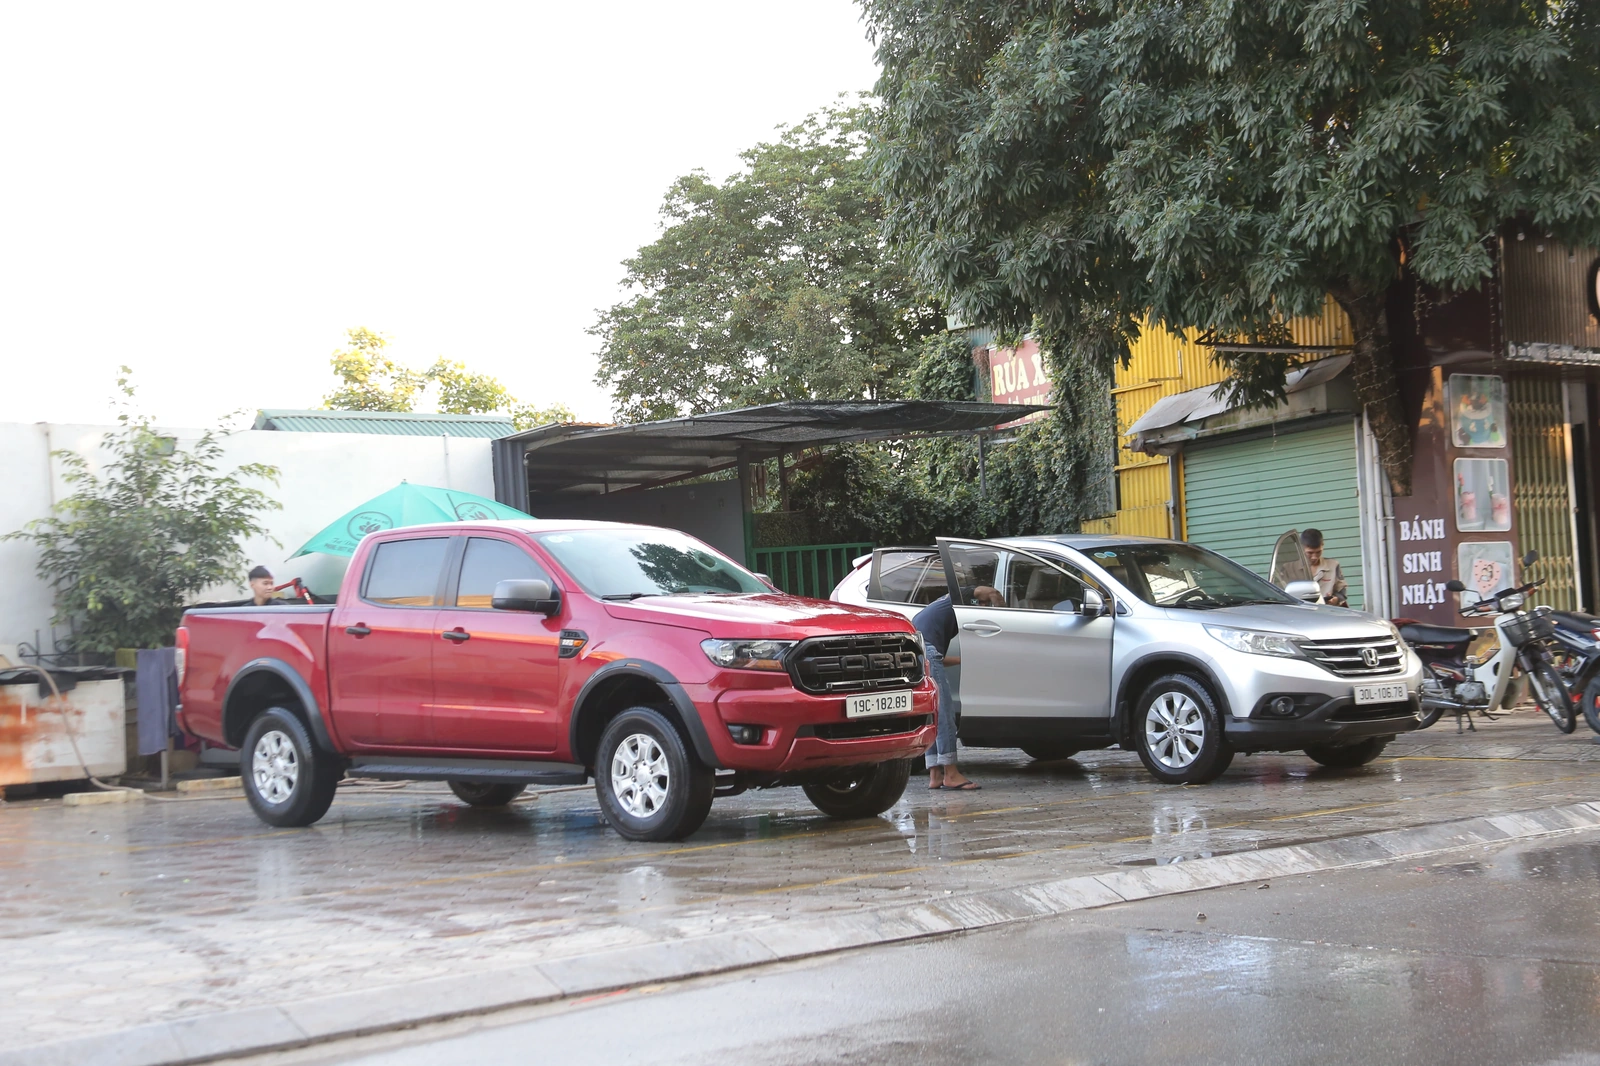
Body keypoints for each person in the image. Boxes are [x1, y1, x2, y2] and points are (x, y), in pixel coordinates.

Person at [910, 586, 1000, 792]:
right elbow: (992, 592)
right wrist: (1000, 611)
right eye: (981, 603)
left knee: (933, 715)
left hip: (918, 650)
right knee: (945, 713)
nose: (982, 606)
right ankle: (951, 774)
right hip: (926, 650)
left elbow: (936, 658)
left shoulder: (939, 609)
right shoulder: (959, 598)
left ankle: (935, 774)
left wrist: (965, 660)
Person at [1299, 529, 1348, 607]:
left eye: (1318, 552)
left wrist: (1336, 599)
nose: (1314, 557)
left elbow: (1342, 591)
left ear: (1323, 545)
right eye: (1310, 553)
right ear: (1301, 548)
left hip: (1327, 614)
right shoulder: (1289, 569)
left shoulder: (1333, 565)